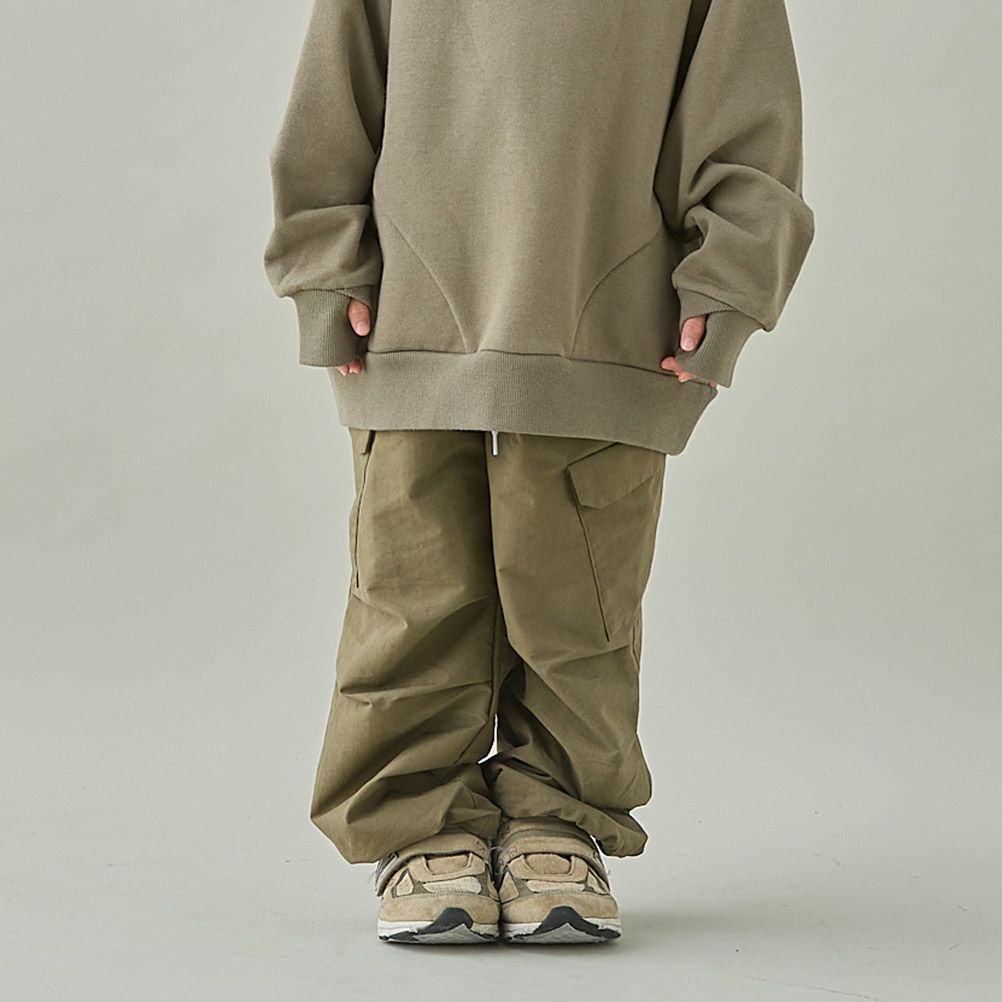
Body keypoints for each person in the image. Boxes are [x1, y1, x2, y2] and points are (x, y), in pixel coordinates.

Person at [263, 0, 814, 945]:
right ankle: (419, 825)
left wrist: (729, 281)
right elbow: (334, 90)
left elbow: (746, 111)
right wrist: (325, 269)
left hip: (607, 317)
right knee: (412, 592)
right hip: (410, 313)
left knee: (578, 606)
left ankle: (555, 818)